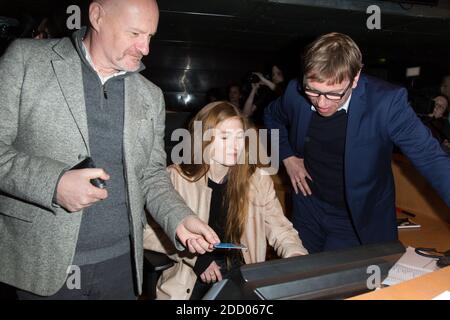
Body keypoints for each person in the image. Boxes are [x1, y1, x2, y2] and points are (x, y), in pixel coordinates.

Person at [0, 0, 219, 300]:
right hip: (44, 264)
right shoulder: (26, 60)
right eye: (135, 34)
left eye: (150, 36)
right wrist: (54, 184)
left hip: (122, 265)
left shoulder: (150, 95)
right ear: (97, 16)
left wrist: (179, 218)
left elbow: (152, 176)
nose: (145, 48)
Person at [264, 32, 450, 254]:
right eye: (313, 91)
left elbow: (431, 158)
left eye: (334, 94)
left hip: (355, 218)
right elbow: (271, 116)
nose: (321, 103)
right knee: (299, 277)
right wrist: (287, 156)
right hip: (308, 208)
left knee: (344, 283)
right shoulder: (295, 93)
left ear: (355, 78)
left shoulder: (386, 103)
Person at [144, 101, 307, 299]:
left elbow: (279, 226)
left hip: (242, 273)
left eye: (240, 137)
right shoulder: (175, 178)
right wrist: (197, 259)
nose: (235, 145)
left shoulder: (257, 179)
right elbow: (146, 232)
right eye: (224, 137)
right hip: (190, 275)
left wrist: (296, 255)